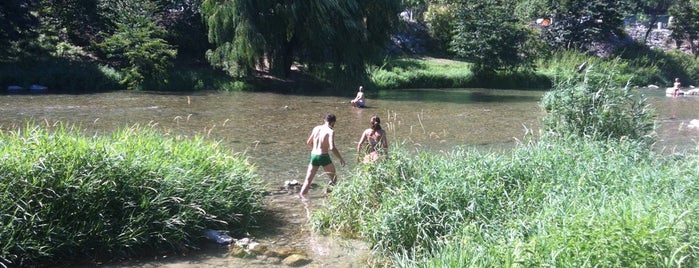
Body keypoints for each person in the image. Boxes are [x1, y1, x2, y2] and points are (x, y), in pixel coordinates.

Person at [299, 114, 346, 199]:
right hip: (323, 156)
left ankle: (302, 198)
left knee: (308, 181)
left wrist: (316, 149)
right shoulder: (330, 131)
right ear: (333, 122)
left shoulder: (316, 128)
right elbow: (332, 147)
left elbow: (309, 142)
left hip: (314, 155)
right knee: (334, 179)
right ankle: (327, 196)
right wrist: (341, 158)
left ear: (325, 120)